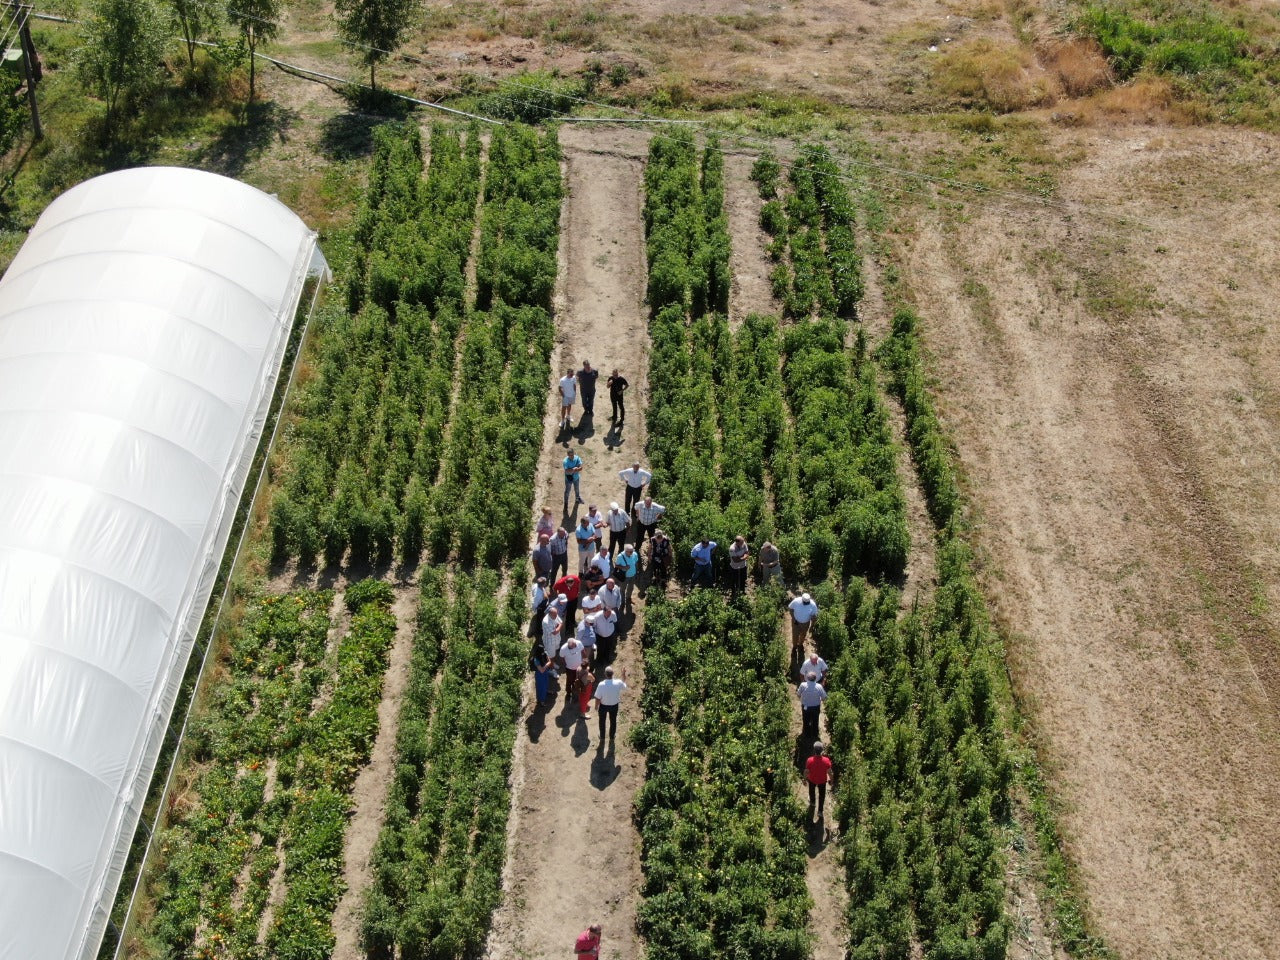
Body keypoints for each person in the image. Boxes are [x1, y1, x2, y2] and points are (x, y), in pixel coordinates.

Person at [593, 666, 628, 741]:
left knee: (602, 722)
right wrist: (623, 674)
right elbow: (624, 684)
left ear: (605, 674)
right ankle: (612, 737)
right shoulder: (618, 683)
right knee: (613, 721)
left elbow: (598, 697)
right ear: (613, 674)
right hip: (614, 706)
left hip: (603, 706)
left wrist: (596, 706)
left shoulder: (601, 684)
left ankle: (602, 737)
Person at [806, 742, 833, 818]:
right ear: (822, 751)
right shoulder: (826, 760)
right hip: (822, 781)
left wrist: (805, 779)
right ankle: (820, 811)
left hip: (812, 779)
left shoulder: (809, 760)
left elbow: (806, 771)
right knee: (822, 796)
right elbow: (830, 772)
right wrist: (831, 780)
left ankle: (812, 802)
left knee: (811, 791)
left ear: (814, 750)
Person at [798, 672, 827, 741]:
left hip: (805, 707)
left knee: (806, 720)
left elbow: (798, 694)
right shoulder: (819, 686)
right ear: (815, 679)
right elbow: (824, 697)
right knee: (815, 720)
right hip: (815, 707)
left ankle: (807, 734)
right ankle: (815, 734)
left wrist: (803, 698)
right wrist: (820, 699)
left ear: (807, 678)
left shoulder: (802, 685)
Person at [614, 542, 640, 610]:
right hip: (624, 576)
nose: (632, 553)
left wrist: (637, 571)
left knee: (631, 588)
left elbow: (636, 563)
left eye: (632, 551)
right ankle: (622, 602)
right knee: (622, 589)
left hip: (633, 575)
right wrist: (623, 567)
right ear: (626, 551)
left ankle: (628, 599)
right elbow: (616, 565)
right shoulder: (620, 556)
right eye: (630, 552)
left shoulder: (634, 554)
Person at [647, 529, 672, 594]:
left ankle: (663, 581)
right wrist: (649, 556)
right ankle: (656, 578)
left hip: (664, 557)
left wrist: (670, 557)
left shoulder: (666, 540)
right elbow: (649, 548)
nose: (659, 539)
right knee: (655, 568)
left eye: (660, 537)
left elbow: (669, 549)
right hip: (655, 556)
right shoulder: (652, 540)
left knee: (663, 568)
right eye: (657, 537)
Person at [530, 642, 554, 707]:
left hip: (544, 672)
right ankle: (541, 701)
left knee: (546, 683)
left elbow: (549, 661)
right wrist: (546, 665)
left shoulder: (544, 653)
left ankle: (546, 691)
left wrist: (545, 666)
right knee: (541, 687)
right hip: (539, 675)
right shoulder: (536, 659)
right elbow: (541, 670)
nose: (543, 651)